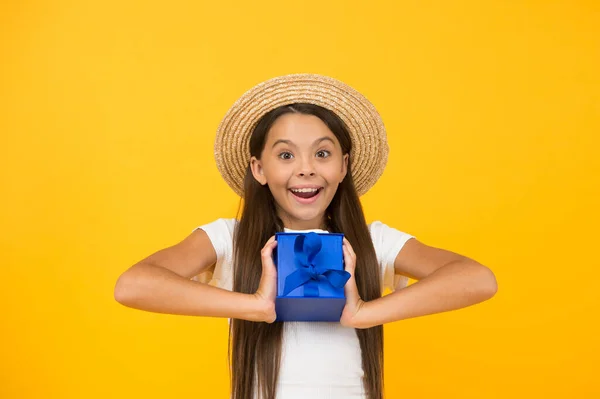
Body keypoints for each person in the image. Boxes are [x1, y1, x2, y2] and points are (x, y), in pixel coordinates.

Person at [114, 74, 498, 399]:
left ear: (344, 166)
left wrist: (364, 313)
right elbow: (133, 286)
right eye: (285, 156)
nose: (306, 170)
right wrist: (257, 306)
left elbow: (477, 278)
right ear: (258, 168)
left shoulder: (370, 242)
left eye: (323, 153)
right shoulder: (229, 239)